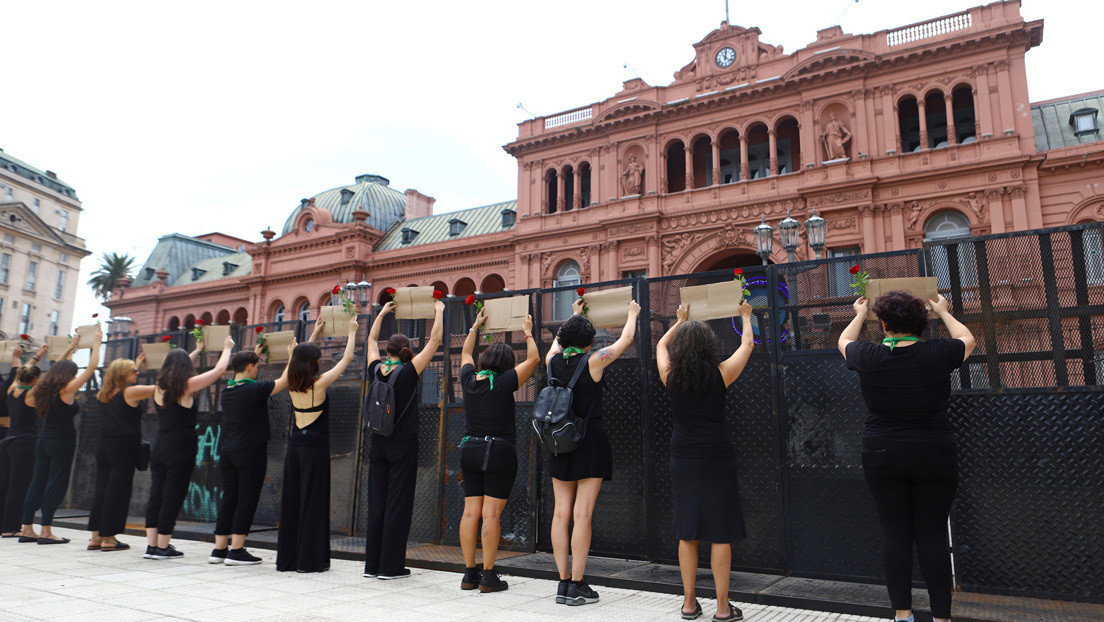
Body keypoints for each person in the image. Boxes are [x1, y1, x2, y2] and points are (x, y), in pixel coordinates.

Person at [838, 292, 976, 622]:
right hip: (934, 451)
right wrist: (943, 311)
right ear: (922, 323)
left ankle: (903, 615)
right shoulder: (939, 352)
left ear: (883, 324)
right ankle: (941, 617)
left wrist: (859, 314)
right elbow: (967, 338)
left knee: (895, 533)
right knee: (932, 534)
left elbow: (843, 340)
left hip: (882, 452)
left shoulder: (869, 355)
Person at [657, 301, 754, 622]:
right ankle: (723, 608)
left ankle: (688, 603)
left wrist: (678, 320)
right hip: (717, 456)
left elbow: (660, 344)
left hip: (682, 458)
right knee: (720, 531)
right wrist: (745, 317)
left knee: (688, 530)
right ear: (709, 346)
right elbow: (748, 345)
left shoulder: (669, 375)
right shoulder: (721, 374)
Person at [544, 297, 640, 606]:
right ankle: (577, 583)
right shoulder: (594, 360)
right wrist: (632, 313)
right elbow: (625, 340)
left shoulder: (552, 361)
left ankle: (561, 584)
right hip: (588, 440)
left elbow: (556, 344)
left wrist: (573, 316)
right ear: (589, 342)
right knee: (582, 515)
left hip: (559, 441)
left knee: (561, 513)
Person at [212, 323, 319, 566]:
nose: (258, 370)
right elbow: (282, 382)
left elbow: (249, 373)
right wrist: (292, 356)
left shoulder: (229, 390)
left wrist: (256, 352)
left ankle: (219, 549)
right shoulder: (254, 389)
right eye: (257, 366)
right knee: (247, 498)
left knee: (229, 497)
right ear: (250, 367)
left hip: (227, 452)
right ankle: (236, 550)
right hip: (250, 452)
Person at [457, 309, 539, 592]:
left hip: (470, 449)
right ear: (505, 365)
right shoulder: (505, 382)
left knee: (470, 513)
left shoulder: (469, 381)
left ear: (483, 361)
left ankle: (469, 574)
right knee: (491, 515)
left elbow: (466, 354)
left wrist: (475, 328)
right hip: (499, 451)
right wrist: (527, 331)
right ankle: (489, 576)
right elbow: (535, 359)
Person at [362, 299, 444, 580]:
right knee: (398, 504)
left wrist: (382, 313)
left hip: (377, 442)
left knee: (376, 504)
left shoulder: (376, 369)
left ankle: (371, 566)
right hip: (402, 445)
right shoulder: (409, 371)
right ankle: (390, 567)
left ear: (388, 351)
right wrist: (439, 311)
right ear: (406, 349)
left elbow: (371, 338)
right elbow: (435, 340)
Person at [276, 316, 358, 573]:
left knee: (292, 501)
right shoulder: (318, 384)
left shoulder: (290, 380)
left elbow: (299, 356)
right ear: (314, 362)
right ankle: (309, 561)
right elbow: (345, 360)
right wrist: (353, 332)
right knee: (314, 502)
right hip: (315, 449)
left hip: (294, 448)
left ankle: (289, 560)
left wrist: (315, 333)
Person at [144, 336, 233, 560]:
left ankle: (152, 546)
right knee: (173, 495)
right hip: (180, 447)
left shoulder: (158, 386)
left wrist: (197, 350)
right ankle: (164, 547)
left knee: (156, 495)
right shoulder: (186, 386)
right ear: (185, 368)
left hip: (160, 445)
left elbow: (178, 366)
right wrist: (227, 347)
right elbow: (219, 370)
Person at [21, 333, 97, 544]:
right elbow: (91, 369)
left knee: (37, 482)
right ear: (68, 375)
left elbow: (55, 367)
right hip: (62, 441)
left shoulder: (43, 388)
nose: (75, 376)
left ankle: (27, 528)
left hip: (43, 440)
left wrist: (72, 348)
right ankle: (46, 532)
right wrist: (97, 341)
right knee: (56, 484)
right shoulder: (66, 389)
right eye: (73, 373)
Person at [87, 354, 154, 551]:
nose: (138, 373)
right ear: (123, 375)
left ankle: (96, 537)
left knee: (101, 490)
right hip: (124, 448)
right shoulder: (130, 393)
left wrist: (136, 364)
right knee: (118, 492)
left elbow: (121, 381)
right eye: (133, 371)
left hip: (105, 447)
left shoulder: (103, 394)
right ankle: (110, 538)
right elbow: (159, 389)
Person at [0, 349, 47, 538]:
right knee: (19, 486)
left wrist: (36, 356)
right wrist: (64, 354)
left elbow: (23, 372)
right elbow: (51, 378)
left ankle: (4, 525)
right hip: (25, 443)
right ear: (35, 380)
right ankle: (11, 527)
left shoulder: (13, 389)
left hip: (8, 441)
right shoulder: (31, 394)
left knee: (5, 484)